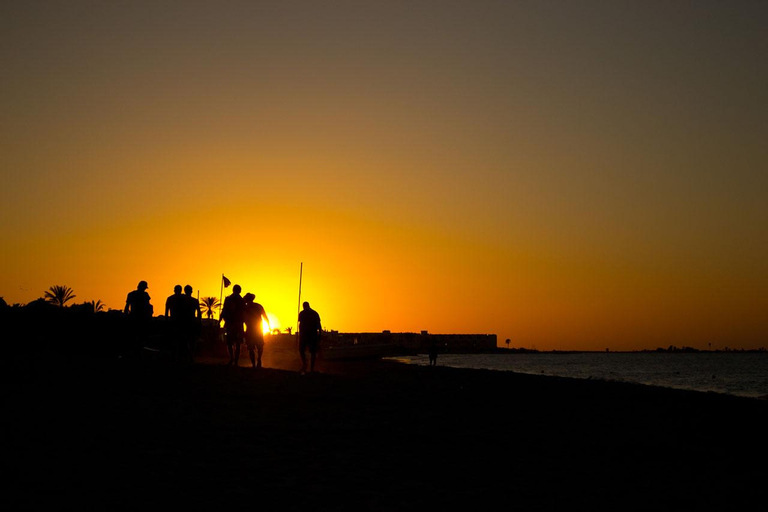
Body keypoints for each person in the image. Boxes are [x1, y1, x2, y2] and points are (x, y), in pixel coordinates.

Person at [124, 280, 153, 360]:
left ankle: (137, 352)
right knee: (138, 336)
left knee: (137, 336)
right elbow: (148, 306)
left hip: (137, 317)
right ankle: (136, 352)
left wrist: (125, 316)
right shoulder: (143, 295)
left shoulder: (132, 294)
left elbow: (127, 306)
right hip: (139, 318)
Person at [219, 284, 245, 366]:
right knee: (237, 343)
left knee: (230, 342)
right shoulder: (241, 300)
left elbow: (224, 310)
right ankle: (235, 361)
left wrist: (219, 320)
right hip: (238, 324)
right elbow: (244, 313)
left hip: (230, 324)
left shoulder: (228, 299)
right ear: (239, 291)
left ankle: (232, 359)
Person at [243, 292, 270, 369]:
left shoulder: (245, 308)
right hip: (258, 329)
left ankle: (254, 364)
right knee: (260, 346)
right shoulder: (258, 306)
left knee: (251, 348)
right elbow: (265, 316)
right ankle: (258, 360)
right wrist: (268, 326)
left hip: (250, 329)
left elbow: (242, 318)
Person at [298, 301, 322, 374]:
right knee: (312, 352)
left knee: (303, 350)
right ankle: (310, 368)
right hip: (312, 335)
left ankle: (306, 365)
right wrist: (320, 335)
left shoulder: (302, 313)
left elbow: (300, 325)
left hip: (306, 335)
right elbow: (319, 325)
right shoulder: (315, 313)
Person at [165, 285, 186, 361]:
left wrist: (167, 321)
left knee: (174, 339)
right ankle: (179, 356)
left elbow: (167, 311)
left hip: (174, 321)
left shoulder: (170, 298)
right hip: (181, 322)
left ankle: (174, 356)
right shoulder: (184, 298)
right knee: (181, 340)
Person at [182, 285, 202, 363]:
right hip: (192, 322)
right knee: (192, 341)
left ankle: (187, 356)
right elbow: (199, 312)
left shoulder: (182, 300)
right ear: (191, 291)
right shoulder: (194, 301)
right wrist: (199, 322)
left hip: (184, 322)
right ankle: (190, 356)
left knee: (185, 340)